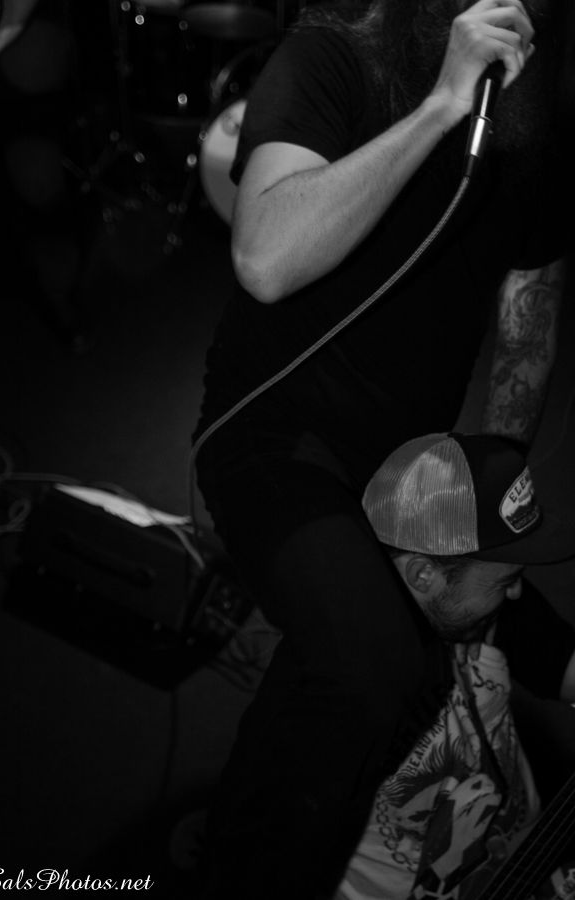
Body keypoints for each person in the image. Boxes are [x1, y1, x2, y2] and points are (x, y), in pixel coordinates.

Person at [191, 0, 571, 896]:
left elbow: (529, 319)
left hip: (400, 460)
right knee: (372, 664)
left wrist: (486, 495)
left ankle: (239, 835)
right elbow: (265, 257)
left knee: (458, 607)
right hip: (275, 431)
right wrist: (440, 105)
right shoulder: (334, 51)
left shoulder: (538, 115)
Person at [336, 430, 575, 899]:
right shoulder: (338, 690)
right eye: (505, 580)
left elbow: (562, 659)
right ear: (424, 574)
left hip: (528, 870)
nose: (517, 592)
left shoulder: (481, 605)